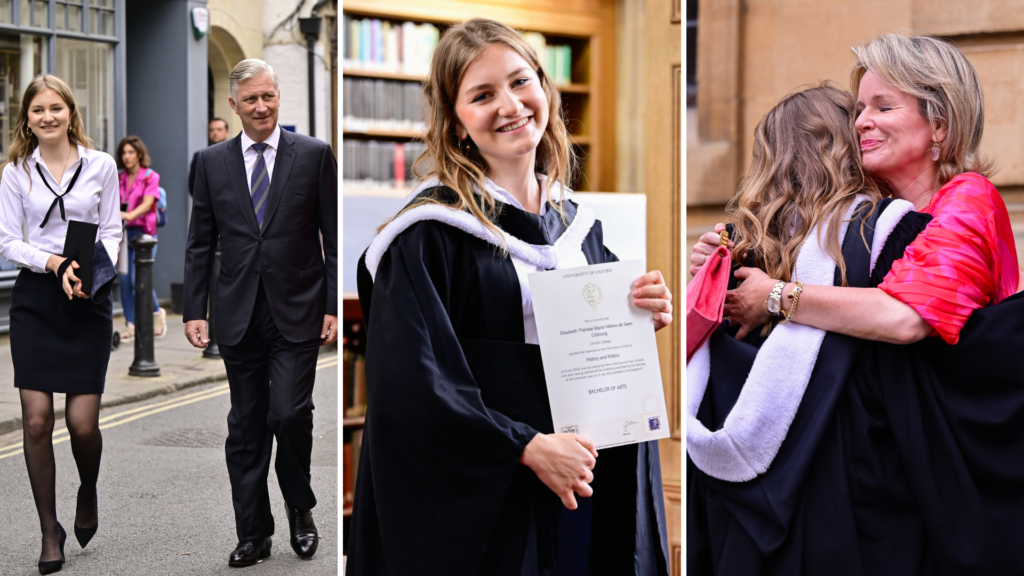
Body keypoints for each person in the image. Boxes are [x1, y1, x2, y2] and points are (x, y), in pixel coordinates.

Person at [347, 18, 673, 576]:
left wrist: (641, 313)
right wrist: (523, 447)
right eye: (482, 95)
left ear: (545, 89)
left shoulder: (578, 225)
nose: (510, 104)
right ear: (456, 124)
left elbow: (602, 347)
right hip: (494, 492)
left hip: (585, 472)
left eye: (521, 82)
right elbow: (412, 386)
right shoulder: (429, 234)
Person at [689, 34, 1024, 575]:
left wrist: (775, 297)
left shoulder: (966, 200)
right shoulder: (881, 213)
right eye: (860, 108)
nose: (861, 121)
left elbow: (904, 317)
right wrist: (721, 259)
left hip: (958, 481)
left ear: (940, 125)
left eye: (883, 106)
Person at [183, 59, 337, 568]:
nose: (262, 106)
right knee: (246, 427)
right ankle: (253, 532)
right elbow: (200, 242)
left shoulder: (314, 155)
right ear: (233, 105)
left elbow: (333, 240)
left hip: (299, 310)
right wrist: (193, 310)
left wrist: (332, 305)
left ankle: (300, 507)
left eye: (268, 96)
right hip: (237, 314)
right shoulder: (209, 162)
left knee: (289, 414)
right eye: (250, 99)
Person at [0, 75, 120, 574]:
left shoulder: (102, 166)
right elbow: (7, 241)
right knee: (35, 420)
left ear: (71, 112)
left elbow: (112, 229)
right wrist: (52, 264)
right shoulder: (14, 172)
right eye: (37, 111)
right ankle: (50, 530)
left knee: (82, 424)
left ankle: (87, 489)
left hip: (86, 298)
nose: (47, 117)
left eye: (56, 108)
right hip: (36, 298)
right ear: (26, 119)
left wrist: (90, 271)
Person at [115, 135, 165, 340]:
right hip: (125, 234)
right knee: (125, 280)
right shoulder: (119, 178)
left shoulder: (150, 176)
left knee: (139, 278)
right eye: (123, 153)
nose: (126, 157)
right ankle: (131, 324)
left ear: (139, 154)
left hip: (145, 234)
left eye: (130, 152)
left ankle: (156, 313)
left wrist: (129, 215)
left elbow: (148, 203)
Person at [189, 117, 231, 196]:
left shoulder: (237, 154)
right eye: (211, 130)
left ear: (227, 132)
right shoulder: (200, 156)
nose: (215, 132)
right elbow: (193, 187)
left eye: (219, 129)